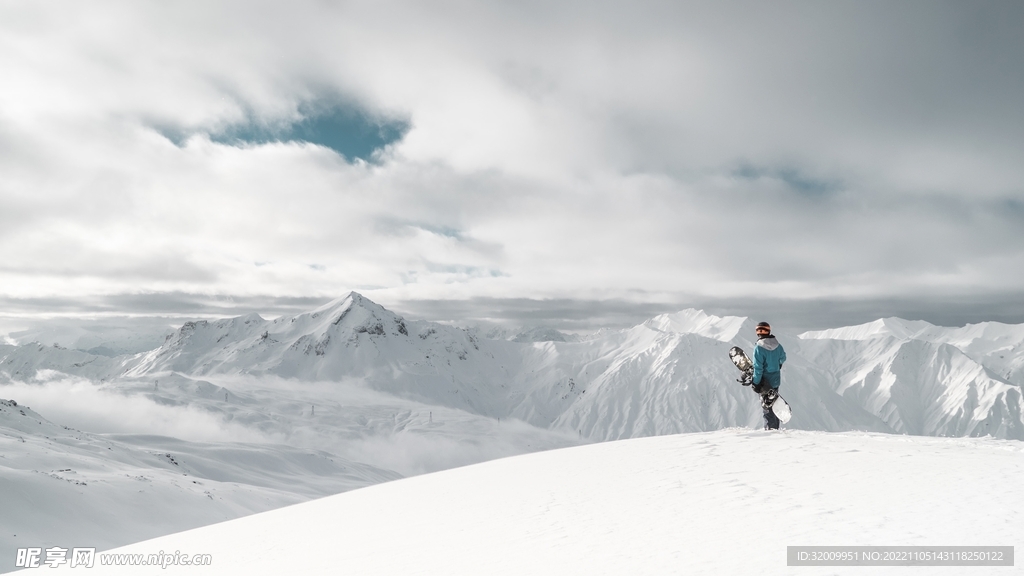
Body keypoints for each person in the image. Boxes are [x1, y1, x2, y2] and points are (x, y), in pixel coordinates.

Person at [752, 321, 786, 430]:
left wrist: (756, 382)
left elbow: (758, 368)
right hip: (775, 380)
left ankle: (770, 431)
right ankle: (775, 429)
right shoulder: (778, 345)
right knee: (774, 404)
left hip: (764, 382)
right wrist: (778, 364)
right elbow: (783, 357)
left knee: (767, 408)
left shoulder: (759, 348)